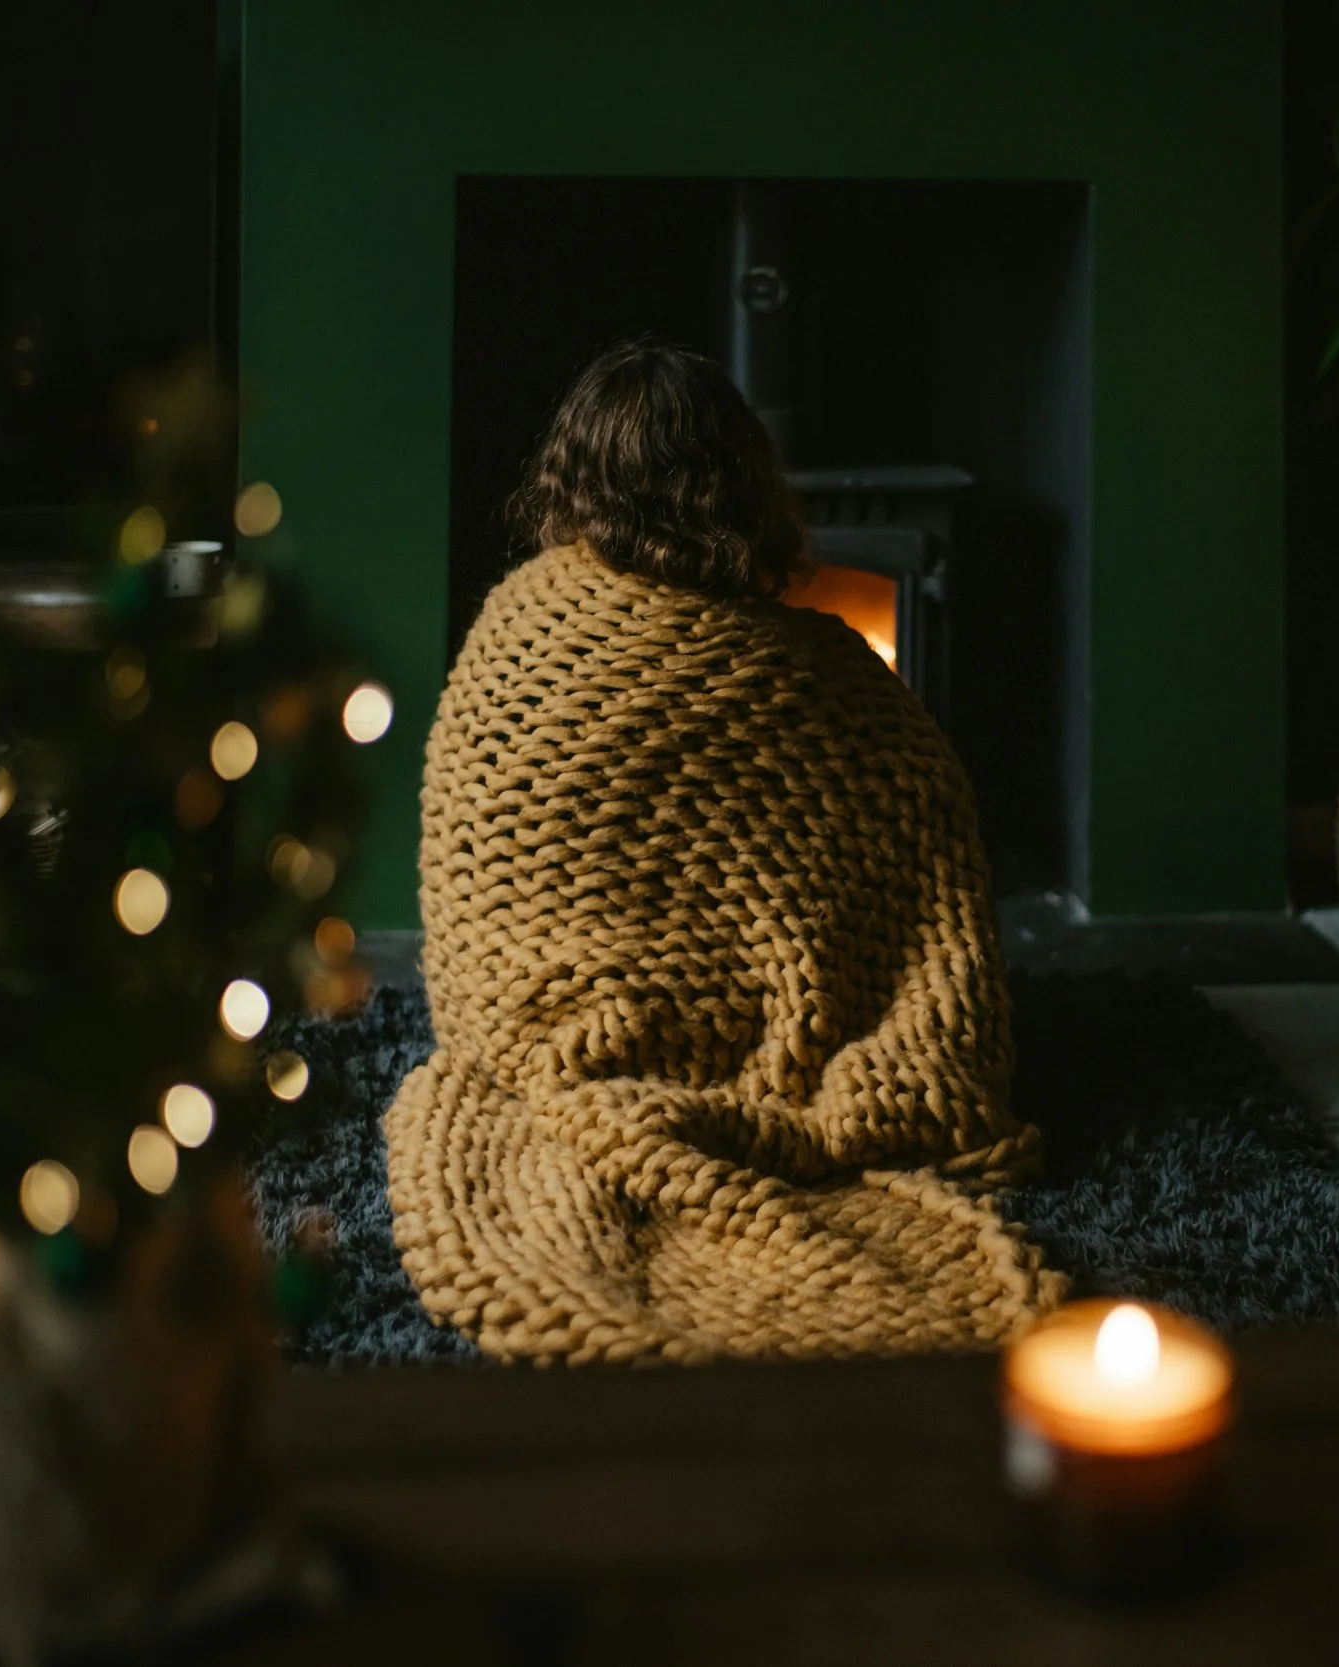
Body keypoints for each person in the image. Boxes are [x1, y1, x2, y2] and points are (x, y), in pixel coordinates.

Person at [385, 339, 1062, 1364]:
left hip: (516, 1020)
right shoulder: (823, 674)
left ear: (572, 476)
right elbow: (924, 827)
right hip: (704, 1033)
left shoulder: (512, 624)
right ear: (740, 479)